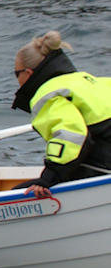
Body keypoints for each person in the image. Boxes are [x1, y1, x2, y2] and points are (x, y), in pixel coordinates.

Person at [12, 31, 111, 197]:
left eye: (17, 74)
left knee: (18, 193)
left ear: (28, 73)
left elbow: (71, 135)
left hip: (105, 167)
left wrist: (49, 178)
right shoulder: (88, 79)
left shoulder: (48, 94)